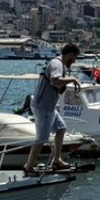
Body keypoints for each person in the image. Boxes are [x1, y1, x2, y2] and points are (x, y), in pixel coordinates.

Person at [24, 42, 82, 174]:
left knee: (61, 128)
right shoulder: (56, 64)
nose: (74, 61)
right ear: (70, 54)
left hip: (49, 106)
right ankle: (29, 167)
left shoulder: (61, 65)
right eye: (75, 57)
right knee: (42, 138)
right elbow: (54, 81)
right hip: (43, 106)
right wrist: (73, 79)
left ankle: (57, 160)